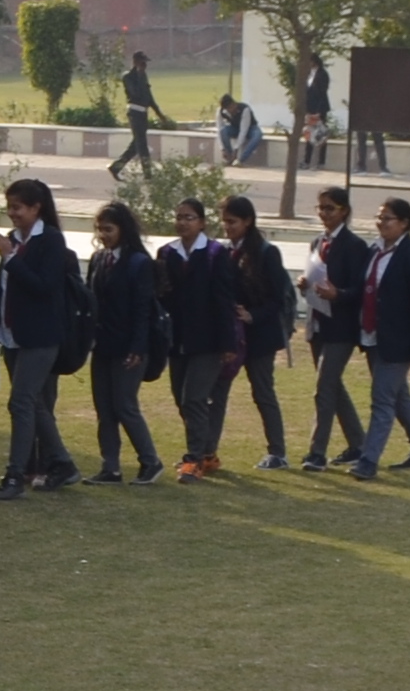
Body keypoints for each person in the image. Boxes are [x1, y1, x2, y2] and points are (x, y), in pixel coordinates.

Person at [0, 180, 84, 497]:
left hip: (41, 336)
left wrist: (11, 259)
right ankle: (63, 463)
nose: (11, 213)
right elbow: (6, 291)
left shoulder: (51, 240)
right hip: (12, 335)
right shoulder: (13, 240)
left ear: (35, 208)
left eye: (17, 207)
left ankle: (15, 475)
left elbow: (44, 286)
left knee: (21, 402)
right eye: (9, 206)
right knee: (35, 403)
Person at [352, 194, 410, 478]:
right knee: (399, 395)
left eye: (388, 218)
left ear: (404, 223)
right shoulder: (374, 251)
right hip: (373, 336)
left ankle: (368, 461)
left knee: (382, 399)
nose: (382, 223)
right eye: (379, 217)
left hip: (400, 341)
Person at [78, 201, 165, 486]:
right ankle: (110, 467)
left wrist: (138, 348)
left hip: (129, 346)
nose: (103, 235)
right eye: (99, 229)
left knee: (125, 405)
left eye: (109, 229)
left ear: (122, 229)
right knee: (104, 408)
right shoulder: (99, 259)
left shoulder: (139, 263)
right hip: (103, 343)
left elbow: (142, 309)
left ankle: (150, 461)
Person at [156, 204, 242, 483]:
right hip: (178, 339)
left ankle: (193, 459)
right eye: (179, 217)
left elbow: (223, 300)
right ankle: (206, 453)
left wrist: (228, 343)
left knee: (194, 397)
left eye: (189, 218)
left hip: (208, 340)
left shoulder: (216, 254)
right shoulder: (167, 253)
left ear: (202, 222)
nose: (183, 223)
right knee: (180, 397)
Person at [217, 194, 299, 469]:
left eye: (232, 222)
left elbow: (277, 299)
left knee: (263, 392)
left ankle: (278, 452)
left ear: (248, 221)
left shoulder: (265, 252)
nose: (227, 227)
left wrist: (252, 315)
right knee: (218, 391)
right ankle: (206, 451)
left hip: (260, 336)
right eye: (224, 221)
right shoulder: (225, 251)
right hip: (231, 335)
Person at [302, 183, 374, 472]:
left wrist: (338, 294)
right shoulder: (317, 242)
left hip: (341, 328)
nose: (324, 214)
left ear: (344, 211)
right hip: (318, 323)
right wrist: (305, 285)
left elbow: (360, 290)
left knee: (324, 389)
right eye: (320, 208)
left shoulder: (355, 246)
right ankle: (358, 444)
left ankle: (317, 452)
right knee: (333, 387)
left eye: (330, 208)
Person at [113, 47, 165, 181]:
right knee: (142, 145)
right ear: (135, 61)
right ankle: (148, 175)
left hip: (143, 114)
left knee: (136, 145)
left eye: (145, 62)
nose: (144, 65)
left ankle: (116, 167)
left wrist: (159, 113)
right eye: (142, 62)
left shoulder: (143, 76)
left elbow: (148, 96)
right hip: (134, 112)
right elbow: (136, 94)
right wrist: (140, 74)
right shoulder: (128, 77)